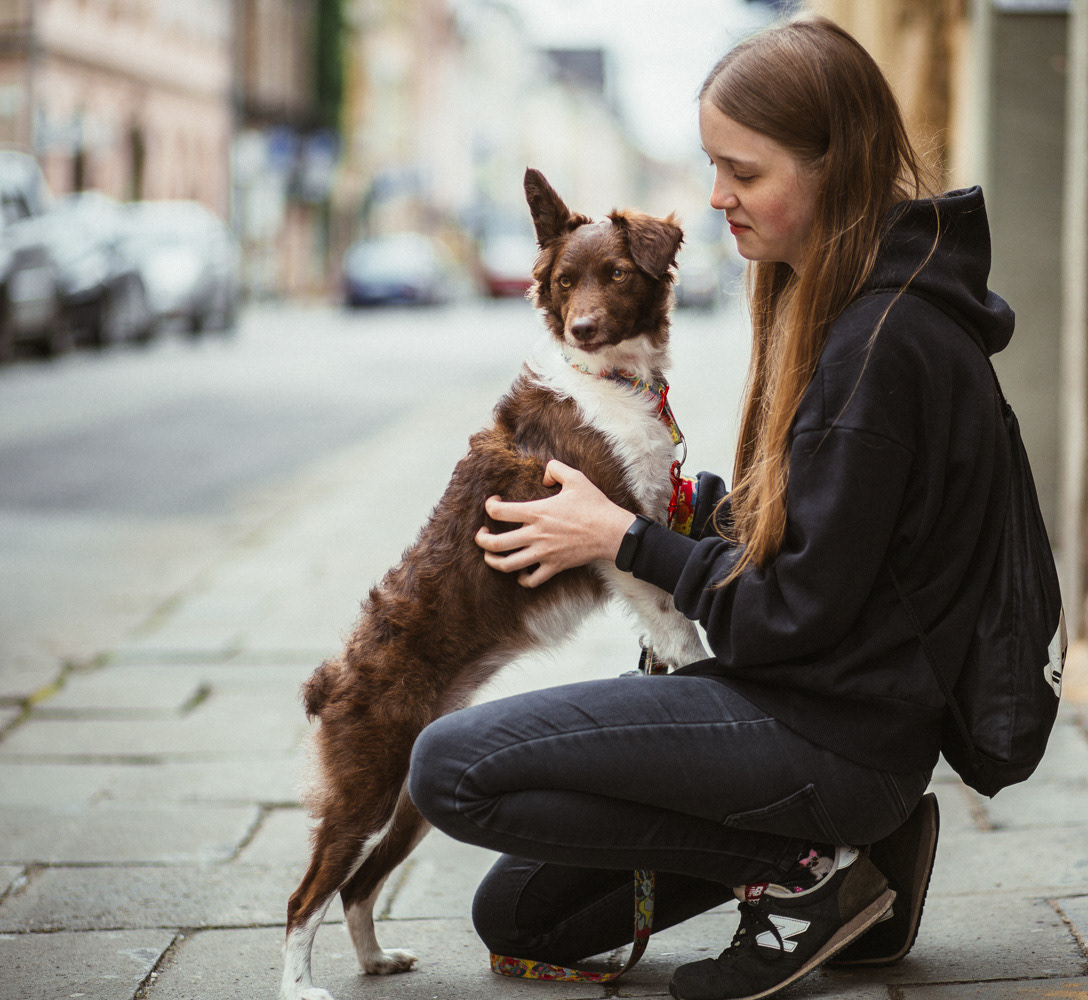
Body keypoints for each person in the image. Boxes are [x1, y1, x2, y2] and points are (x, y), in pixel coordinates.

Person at [406, 15, 1016, 1000]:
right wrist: (699, 512)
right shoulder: (858, 307)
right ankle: (871, 851)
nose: (717, 195)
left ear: (836, 166)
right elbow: (838, 542)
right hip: (836, 718)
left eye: (743, 170)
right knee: (518, 918)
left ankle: (805, 870)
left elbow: (785, 615)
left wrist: (625, 539)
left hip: (830, 730)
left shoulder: (877, 347)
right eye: (712, 164)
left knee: (448, 768)